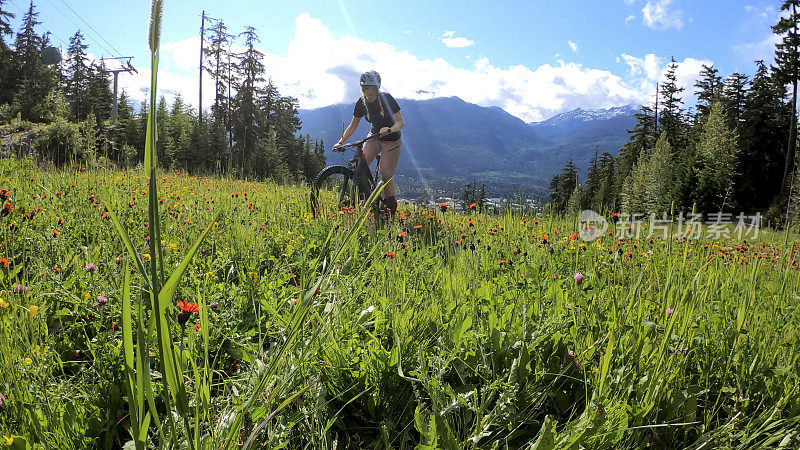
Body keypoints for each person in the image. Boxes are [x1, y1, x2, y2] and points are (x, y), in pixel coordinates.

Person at [334, 70, 405, 215]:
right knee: (362, 164)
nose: (368, 93)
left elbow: (400, 122)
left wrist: (390, 129)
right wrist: (340, 141)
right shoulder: (361, 102)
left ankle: (390, 208)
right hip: (374, 135)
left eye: (371, 89)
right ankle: (362, 196)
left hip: (392, 139)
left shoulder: (386, 99)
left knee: (386, 173)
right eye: (365, 89)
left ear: (377, 88)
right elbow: (353, 126)